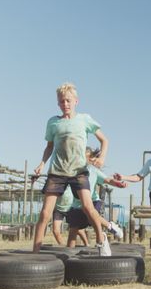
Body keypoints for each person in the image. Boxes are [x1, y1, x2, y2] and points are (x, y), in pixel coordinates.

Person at [32, 82, 111, 255]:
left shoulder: (84, 119)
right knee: (45, 213)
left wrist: (102, 157)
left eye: (68, 101)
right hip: (57, 172)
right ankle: (35, 252)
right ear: (58, 103)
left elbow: (104, 140)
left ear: (76, 101)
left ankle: (101, 240)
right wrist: (41, 163)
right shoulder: (53, 122)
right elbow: (49, 146)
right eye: (61, 101)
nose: (65, 104)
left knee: (89, 208)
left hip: (78, 172)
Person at [66, 147, 126, 248]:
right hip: (77, 205)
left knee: (91, 216)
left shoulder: (93, 170)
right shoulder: (72, 170)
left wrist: (118, 184)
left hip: (93, 201)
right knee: (73, 230)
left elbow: (107, 180)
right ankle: (69, 253)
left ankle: (105, 235)